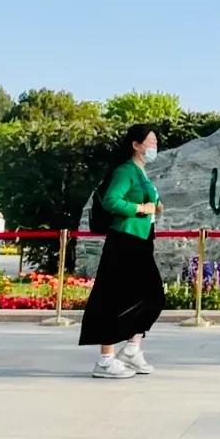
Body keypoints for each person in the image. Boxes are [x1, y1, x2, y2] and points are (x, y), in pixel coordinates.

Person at [79, 124, 165, 379]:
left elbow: (150, 203)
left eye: (156, 142)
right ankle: (106, 359)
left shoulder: (141, 172)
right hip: (124, 240)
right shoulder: (125, 171)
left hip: (141, 239)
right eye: (150, 142)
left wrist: (156, 207)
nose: (154, 147)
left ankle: (131, 349)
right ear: (136, 145)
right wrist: (141, 209)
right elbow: (111, 200)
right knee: (114, 297)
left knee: (151, 297)